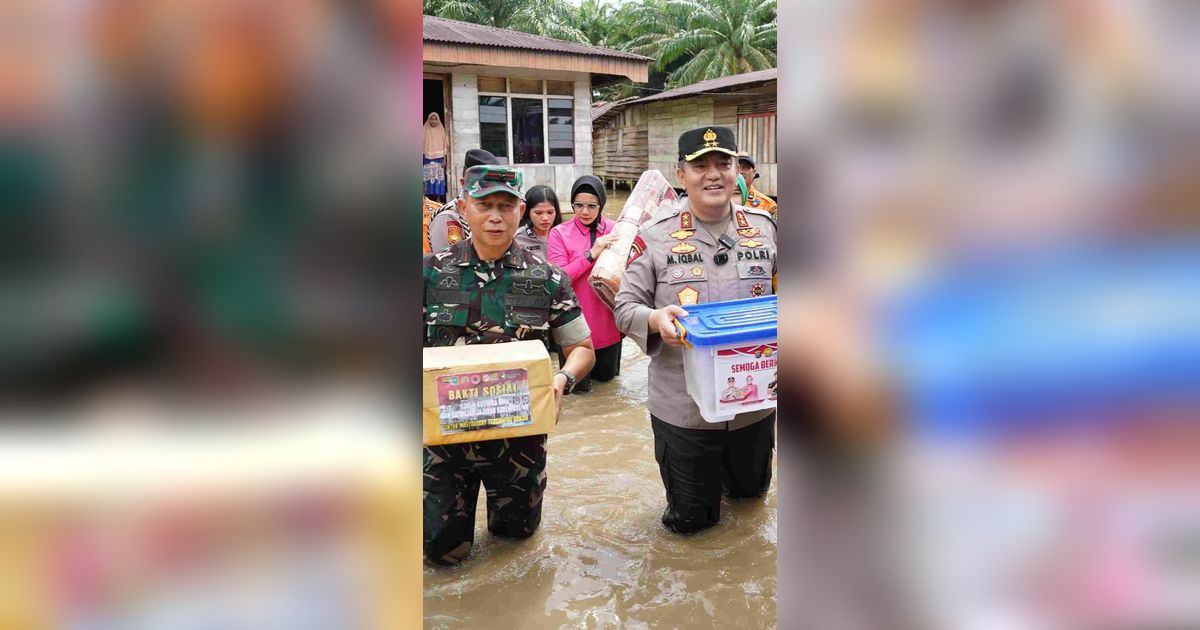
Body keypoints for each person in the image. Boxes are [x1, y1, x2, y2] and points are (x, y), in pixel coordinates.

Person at [422, 164, 596, 566]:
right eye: (484, 205)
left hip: (520, 444)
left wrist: (562, 379)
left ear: (521, 210)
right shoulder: (429, 273)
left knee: (516, 551)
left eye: (505, 205)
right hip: (441, 446)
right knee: (441, 552)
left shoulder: (547, 278)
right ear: (464, 208)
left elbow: (583, 348)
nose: (495, 216)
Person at [615, 126, 778, 534]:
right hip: (683, 413)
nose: (713, 174)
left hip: (753, 407)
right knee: (692, 525)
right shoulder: (653, 235)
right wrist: (655, 319)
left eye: (723, 163)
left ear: (737, 169)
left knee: (751, 501)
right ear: (680, 173)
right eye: (700, 165)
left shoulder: (765, 227)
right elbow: (623, 308)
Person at [547, 175, 624, 392]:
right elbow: (559, 278)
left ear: (602, 204)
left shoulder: (615, 230)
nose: (585, 212)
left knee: (608, 393)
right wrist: (591, 254)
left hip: (608, 324)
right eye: (578, 205)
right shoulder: (559, 233)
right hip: (572, 325)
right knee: (574, 392)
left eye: (592, 206)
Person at [428, 148, 498, 252]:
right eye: (480, 184)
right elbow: (446, 264)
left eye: (494, 184)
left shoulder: (496, 212)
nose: (488, 188)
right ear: (463, 183)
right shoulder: (449, 217)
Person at [513, 184, 562, 258]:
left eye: (550, 212)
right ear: (527, 211)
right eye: (538, 213)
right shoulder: (518, 239)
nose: (545, 218)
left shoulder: (564, 235)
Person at [737, 153, 777, 219]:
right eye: (737, 167)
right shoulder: (721, 200)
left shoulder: (768, 204)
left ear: (753, 173)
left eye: (745, 167)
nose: (740, 171)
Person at [422, 113, 447, 202]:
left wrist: (445, 159)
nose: (433, 121)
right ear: (429, 120)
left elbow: (445, 145)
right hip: (426, 158)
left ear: (438, 120)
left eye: (435, 119)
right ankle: (426, 200)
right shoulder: (424, 130)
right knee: (427, 179)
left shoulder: (441, 130)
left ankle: (438, 199)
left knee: (438, 179)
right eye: (431, 119)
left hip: (439, 159)